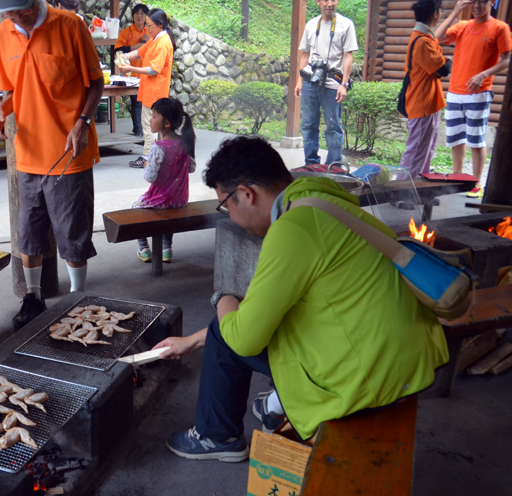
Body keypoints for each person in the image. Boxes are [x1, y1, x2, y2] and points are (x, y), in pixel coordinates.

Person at [153, 136, 448, 461]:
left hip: (371, 379)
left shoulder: (293, 229)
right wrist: (191, 341)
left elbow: (242, 340)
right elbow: (261, 316)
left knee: (229, 326)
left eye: (225, 205)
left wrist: (223, 296)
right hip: (405, 359)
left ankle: (217, 435)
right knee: (233, 322)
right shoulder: (323, 201)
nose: (229, 214)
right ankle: (270, 406)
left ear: (246, 195)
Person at [0, 0, 105, 330]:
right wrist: (1, 110)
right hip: (28, 151)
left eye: (21, 8)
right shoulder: (3, 33)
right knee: (29, 230)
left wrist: (83, 122)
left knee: (72, 229)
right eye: (8, 12)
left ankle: (77, 297)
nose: (17, 18)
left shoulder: (71, 27)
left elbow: (95, 82)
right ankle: (33, 296)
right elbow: (13, 88)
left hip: (69, 150)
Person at [436, 0, 512, 199]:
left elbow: (506, 60)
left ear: (492, 2)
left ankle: (476, 183)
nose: (477, 5)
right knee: (455, 138)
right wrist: (455, 12)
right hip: (455, 92)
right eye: (474, 1)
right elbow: (437, 37)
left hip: (479, 93)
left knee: (476, 140)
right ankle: (459, 178)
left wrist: (483, 74)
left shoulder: (499, 27)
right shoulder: (462, 26)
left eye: (482, 1)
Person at [294, 0, 357, 166]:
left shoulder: (346, 25)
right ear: (318, 1)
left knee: (333, 126)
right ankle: (311, 163)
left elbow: (348, 56)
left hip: (333, 84)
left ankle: (334, 166)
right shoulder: (311, 24)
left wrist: (344, 84)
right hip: (310, 82)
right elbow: (305, 54)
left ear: (338, 0)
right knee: (308, 125)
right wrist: (299, 81)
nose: (330, 3)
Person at [133, 98, 197, 264]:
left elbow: (149, 177)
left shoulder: (158, 147)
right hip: (180, 199)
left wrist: (148, 164)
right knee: (169, 214)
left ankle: (144, 248)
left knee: (135, 209)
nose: (150, 119)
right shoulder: (185, 142)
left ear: (166, 123)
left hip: (160, 200)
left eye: (154, 117)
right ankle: (166, 249)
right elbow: (191, 168)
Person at [398, 0, 452, 177]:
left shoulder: (426, 36)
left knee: (427, 149)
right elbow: (443, 69)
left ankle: (418, 190)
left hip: (430, 103)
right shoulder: (423, 41)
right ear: (436, 14)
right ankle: (400, 193)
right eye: (441, 12)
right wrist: (451, 60)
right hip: (421, 104)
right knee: (415, 150)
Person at [118, 8, 174, 168]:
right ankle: (154, 158)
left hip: (154, 92)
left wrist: (132, 69)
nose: (147, 28)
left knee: (150, 127)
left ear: (160, 25)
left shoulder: (162, 42)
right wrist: (125, 57)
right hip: (152, 91)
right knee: (154, 128)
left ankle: (147, 158)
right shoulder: (156, 38)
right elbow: (140, 52)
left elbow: (154, 69)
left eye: (149, 25)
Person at [114, 4, 152, 138]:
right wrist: (133, 47)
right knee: (136, 102)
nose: (139, 16)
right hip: (132, 75)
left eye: (142, 13)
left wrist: (151, 41)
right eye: (137, 13)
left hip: (149, 73)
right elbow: (116, 51)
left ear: (146, 16)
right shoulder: (126, 32)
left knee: (148, 104)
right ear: (133, 15)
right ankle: (138, 130)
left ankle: (148, 130)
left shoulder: (152, 32)